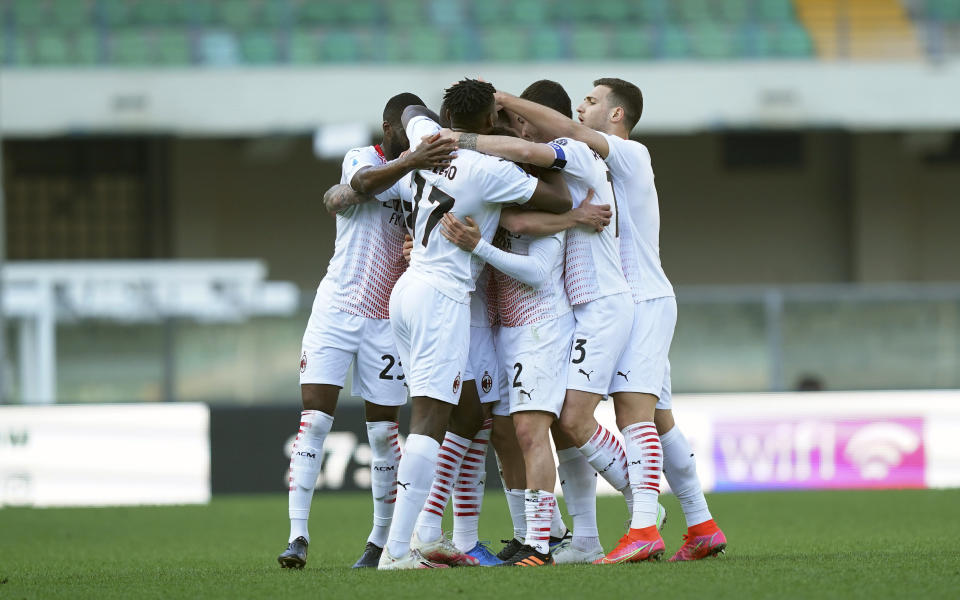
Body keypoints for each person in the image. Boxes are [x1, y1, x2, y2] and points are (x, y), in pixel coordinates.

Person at [495, 77, 727, 562]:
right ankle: (700, 522)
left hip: (639, 300)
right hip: (632, 300)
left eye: (593, 100)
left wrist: (504, 102)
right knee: (660, 420)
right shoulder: (601, 164)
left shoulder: (629, 153)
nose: (583, 107)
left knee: (611, 416)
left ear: (617, 114)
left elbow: (559, 130)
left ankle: (644, 523)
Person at [435, 80, 640, 563]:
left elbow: (536, 264)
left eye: (524, 124)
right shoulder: (522, 191)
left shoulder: (563, 180)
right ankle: (556, 534)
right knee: (523, 433)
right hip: (507, 327)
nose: (519, 136)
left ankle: (625, 510)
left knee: (545, 429)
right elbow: (509, 220)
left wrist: (481, 242)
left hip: (545, 322)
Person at [378, 79, 572, 570]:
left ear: (445, 115)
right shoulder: (487, 170)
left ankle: (420, 540)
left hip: (407, 289)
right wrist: (509, 146)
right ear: (489, 122)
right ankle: (401, 550)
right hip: (443, 297)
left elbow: (408, 108)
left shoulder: (426, 135)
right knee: (430, 420)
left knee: (450, 416)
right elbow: (557, 197)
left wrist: (428, 134)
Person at [276, 92, 456, 570]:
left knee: (382, 433)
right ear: (389, 127)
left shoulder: (421, 174)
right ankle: (297, 536)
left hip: (386, 318)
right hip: (336, 307)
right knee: (313, 421)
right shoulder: (363, 157)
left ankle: (377, 543)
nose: (417, 136)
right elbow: (355, 185)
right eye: (410, 128)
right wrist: (414, 161)